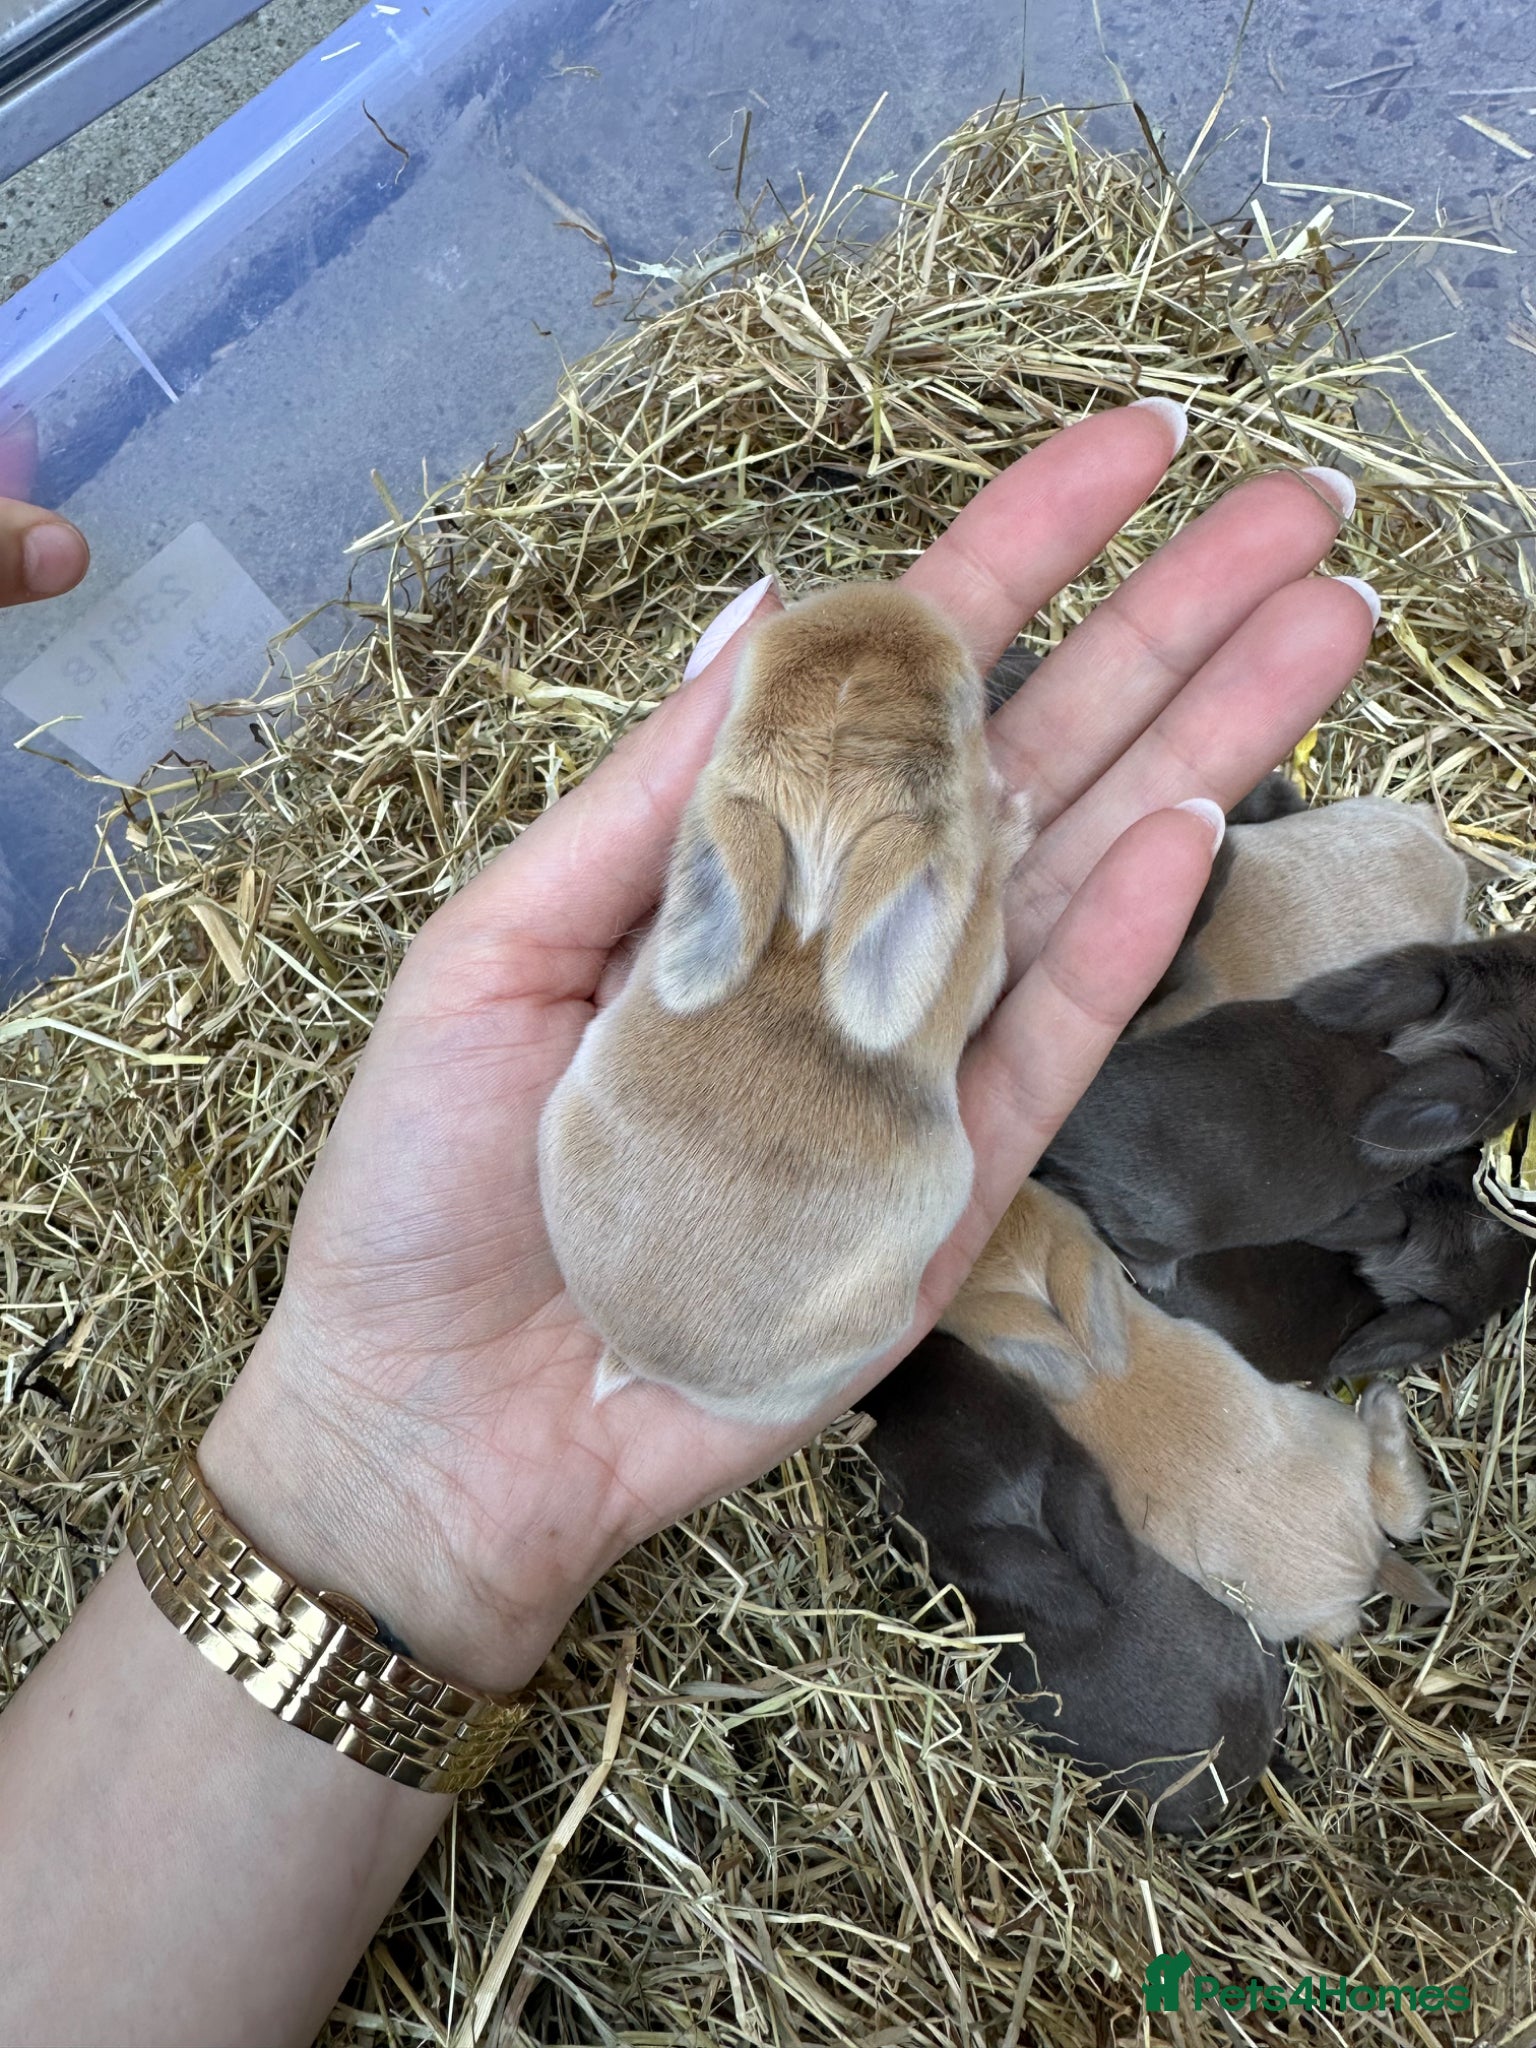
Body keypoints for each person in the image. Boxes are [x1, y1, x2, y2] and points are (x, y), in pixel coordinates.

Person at [0, 406, 1372, 2048]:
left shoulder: (734, 903)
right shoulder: (920, 931)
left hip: (639, 1218)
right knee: (941, 1106)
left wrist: (368, 1512)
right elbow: (901, 966)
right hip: (761, 1274)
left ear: (719, 816)